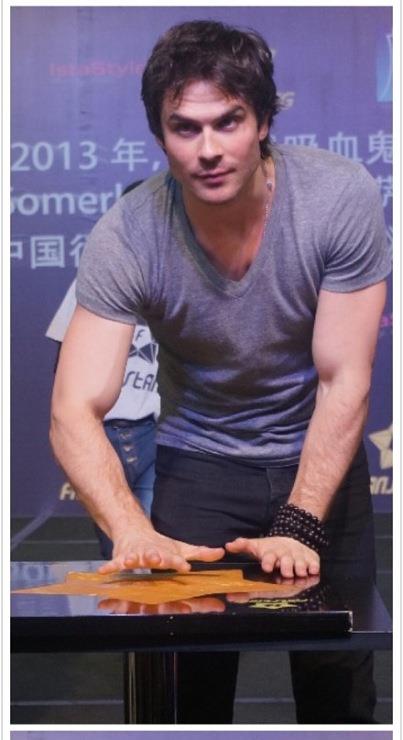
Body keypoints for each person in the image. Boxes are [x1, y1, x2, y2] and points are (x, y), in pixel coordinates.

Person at [50, 20, 391, 723]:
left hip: (317, 455)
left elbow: (344, 379)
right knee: (182, 689)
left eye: (227, 122)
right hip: (199, 464)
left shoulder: (336, 197)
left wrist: (300, 522)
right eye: (185, 128)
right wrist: (131, 529)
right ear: (160, 136)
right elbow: (72, 409)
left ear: (262, 121)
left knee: (337, 684)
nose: (207, 149)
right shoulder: (128, 233)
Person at [46, 277, 159, 557]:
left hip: (156, 429)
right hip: (99, 431)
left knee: (156, 537)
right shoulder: (99, 272)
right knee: (117, 542)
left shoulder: (172, 274)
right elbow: (64, 354)